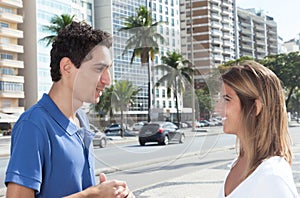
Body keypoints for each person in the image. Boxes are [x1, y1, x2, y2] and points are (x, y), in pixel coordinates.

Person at [5, 21, 134, 198]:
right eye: (99, 69)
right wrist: (91, 195)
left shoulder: (82, 119)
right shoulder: (33, 125)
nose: (107, 80)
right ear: (67, 67)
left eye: (108, 70)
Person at [216, 61, 298, 197]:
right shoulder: (239, 164)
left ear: (255, 107)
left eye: (226, 99)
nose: (217, 109)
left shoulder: (273, 177)